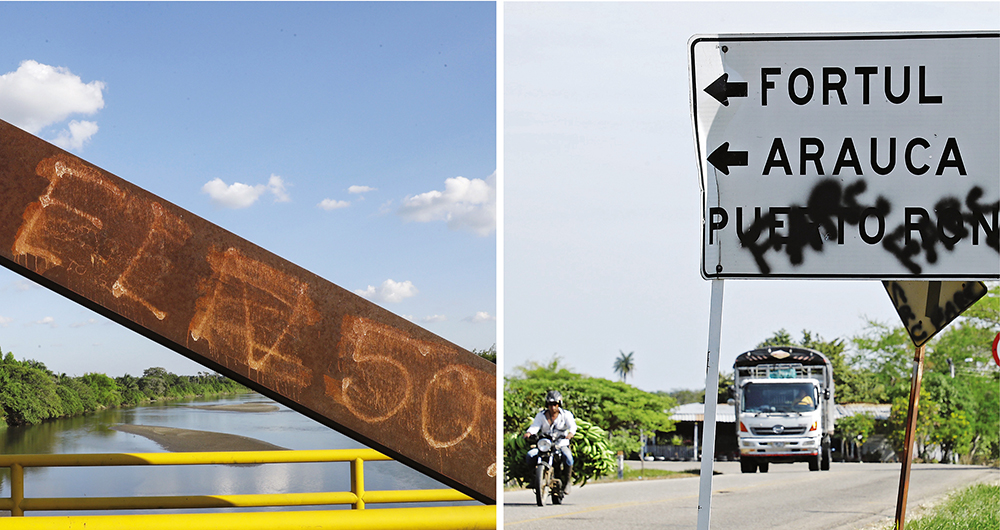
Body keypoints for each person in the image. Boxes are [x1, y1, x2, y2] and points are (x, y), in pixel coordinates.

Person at [524, 390, 578, 493]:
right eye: (550, 404)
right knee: (530, 455)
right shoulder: (541, 415)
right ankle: (534, 478)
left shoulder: (566, 414)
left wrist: (571, 433)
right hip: (545, 444)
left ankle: (567, 482)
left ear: (559, 404)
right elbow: (535, 426)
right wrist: (529, 433)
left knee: (568, 458)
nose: (553, 407)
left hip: (560, 444)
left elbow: (572, 426)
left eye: (555, 404)